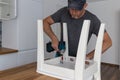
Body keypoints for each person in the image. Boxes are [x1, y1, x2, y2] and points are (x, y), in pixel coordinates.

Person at [43, 0, 112, 59]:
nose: (73, 12)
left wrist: (88, 57)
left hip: (79, 58)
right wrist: (53, 38)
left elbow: (108, 42)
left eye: (77, 10)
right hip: (61, 55)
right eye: (71, 9)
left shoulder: (93, 19)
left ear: (85, 6)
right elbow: (45, 22)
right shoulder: (63, 12)